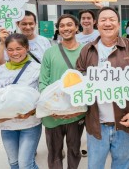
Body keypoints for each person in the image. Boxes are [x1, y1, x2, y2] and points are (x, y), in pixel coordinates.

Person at [76, 7, 129, 169]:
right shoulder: (87, 49)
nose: (108, 23)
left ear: (119, 24)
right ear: (96, 24)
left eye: (112, 19)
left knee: (122, 165)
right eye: (103, 20)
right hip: (96, 123)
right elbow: (78, 79)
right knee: (95, 166)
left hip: (124, 121)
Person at [40, 14, 86, 169]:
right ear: (58, 29)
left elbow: (88, 82)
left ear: (77, 27)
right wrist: (50, 107)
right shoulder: (50, 52)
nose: (66, 28)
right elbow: (43, 81)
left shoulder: (86, 51)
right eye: (62, 26)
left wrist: (77, 109)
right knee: (54, 153)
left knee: (74, 151)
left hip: (76, 112)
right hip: (52, 114)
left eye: (69, 25)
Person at [0, 33, 42, 169]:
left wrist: (30, 112)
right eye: (10, 49)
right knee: (14, 163)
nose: (15, 53)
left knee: (26, 164)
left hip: (30, 124)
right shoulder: (0, 70)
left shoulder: (37, 69)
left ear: (27, 48)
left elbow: (43, 97)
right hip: (7, 125)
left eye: (19, 48)